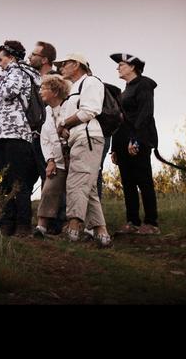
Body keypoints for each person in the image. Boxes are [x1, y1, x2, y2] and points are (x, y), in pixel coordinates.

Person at [53, 53, 112, 247]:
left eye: (64, 64)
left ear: (77, 65)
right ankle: (101, 233)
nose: (60, 67)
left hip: (88, 138)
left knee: (76, 182)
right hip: (79, 140)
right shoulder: (73, 89)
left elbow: (90, 111)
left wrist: (64, 124)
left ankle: (73, 226)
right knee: (89, 186)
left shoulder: (91, 82)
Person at [0, 40, 41, 237]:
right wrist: (1, 80)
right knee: (5, 181)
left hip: (18, 133)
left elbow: (6, 92)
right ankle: (7, 222)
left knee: (19, 180)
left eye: (1, 59)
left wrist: (3, 77)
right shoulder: (6, 74)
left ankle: (23, 224)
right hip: (0, 132)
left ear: (10, 57)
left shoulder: (19, 72)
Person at [109, 53, 161, 235]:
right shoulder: (125, 91)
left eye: (121, 65)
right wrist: (114, 148)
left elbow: (145, 113)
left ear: (132, 67)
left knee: (144, 181)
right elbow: (120, 121)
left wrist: (136, 139)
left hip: (139, 139)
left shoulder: (144, 84)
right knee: (128, 182)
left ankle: (151, 223)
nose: (118, 68)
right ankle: (132, 222)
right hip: (123, 141)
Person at [33, 75, 72, 238]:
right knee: (49, 189)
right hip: (56, 160)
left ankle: (78, 226)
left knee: (75, 192)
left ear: (55, 92)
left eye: (44, 88)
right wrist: (50, 160)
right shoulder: (46, 112)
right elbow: (45, 139)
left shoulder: (70, 107)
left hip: (74, 158)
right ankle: (41, 227)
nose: (40, 91)